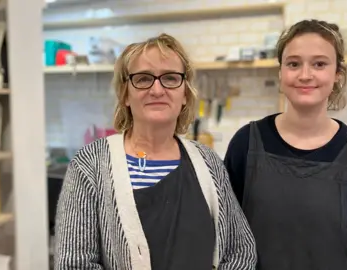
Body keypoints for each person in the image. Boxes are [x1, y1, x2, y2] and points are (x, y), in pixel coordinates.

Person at [55, 33, 257, 270]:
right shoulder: (89, 164)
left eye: (170, 78)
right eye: (143, 79)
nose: (157, 90)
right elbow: (74, 263)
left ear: (185, 93)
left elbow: (240, 251)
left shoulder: (208, 162)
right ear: (125, 93)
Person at [224, 19, 347, 270]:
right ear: (280, 73)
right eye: (293, 64)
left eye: (319, 64)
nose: (305, 75)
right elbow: (228, 231)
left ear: (337, 74)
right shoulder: (246, 143)